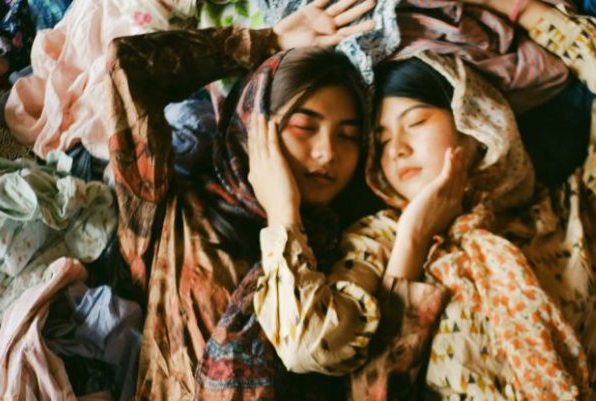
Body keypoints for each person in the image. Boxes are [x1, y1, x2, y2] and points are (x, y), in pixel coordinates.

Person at [250, 0, 596, 399]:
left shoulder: (578, 214)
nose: (396, 149)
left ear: (475, 120)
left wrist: (513, 7)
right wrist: (408, 243)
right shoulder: (375, 243)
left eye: (414, 123)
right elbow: (309, 346)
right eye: (380, 140)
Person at [104, 0, 390, 398]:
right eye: (305, 126)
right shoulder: (169, 212)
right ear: (252, 123)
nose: (328, 153)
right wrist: (267, 40)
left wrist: (284, 219)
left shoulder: (348, 247)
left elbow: (322, 351)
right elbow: (129, 65)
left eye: (347, 136)